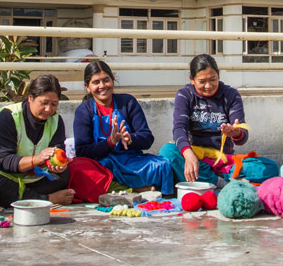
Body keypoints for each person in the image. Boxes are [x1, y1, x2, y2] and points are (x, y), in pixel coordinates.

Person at [0, 74, 75, 207]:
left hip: (32, 175)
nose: (49, 109)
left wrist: (59, 165)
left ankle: (23, 197)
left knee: (63, 176)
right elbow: (5, 161)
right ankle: (46, 198)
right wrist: (37, 159)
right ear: (30, 98)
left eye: (54, 104)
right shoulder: (8, 116)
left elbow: (58, 150)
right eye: (44, 103)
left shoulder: (56, 120)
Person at [73, 60, 174, 196]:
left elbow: (147, 138)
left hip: (131, 161)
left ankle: (163, 197)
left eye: (106, 80)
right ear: (87, 87)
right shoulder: (84, 111)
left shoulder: (127, 102)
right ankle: (135, 190)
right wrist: (110, 142)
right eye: (96, 82)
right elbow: (82, 151)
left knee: (163, 166)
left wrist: (130, 139)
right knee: (83, 170)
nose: (102, 86)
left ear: (113, 79)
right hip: (103, 163)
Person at [158, 54, 248, 185]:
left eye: (213, 79)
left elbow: (243, 137)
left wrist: (236, 133)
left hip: (223, 161)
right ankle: (217, 182)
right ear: (192, 80)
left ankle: (205, 180)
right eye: (202, 81)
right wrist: (188, 155)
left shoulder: (231, 95)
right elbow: (179, 128)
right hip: (195, 158)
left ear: (219, 76)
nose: (208, 86)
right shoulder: (185, 95)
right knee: (167, 151)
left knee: (267, 167)